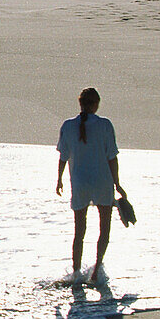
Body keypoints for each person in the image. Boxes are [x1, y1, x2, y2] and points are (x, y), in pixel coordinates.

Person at [56, 87, 125, 283]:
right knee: (104, 228)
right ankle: (96, 271)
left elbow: (63, 156)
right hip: (102, 181)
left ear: (80, 103)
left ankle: (77, 273)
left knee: (79, 231)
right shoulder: (105, 125)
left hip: (79, 182)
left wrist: (59, 179)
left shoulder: (68, 126)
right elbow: (112, 157)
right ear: (96, 104)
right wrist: (118, 184)